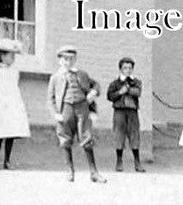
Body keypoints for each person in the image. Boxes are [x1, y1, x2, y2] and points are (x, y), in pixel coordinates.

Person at [47, 45, 106, 183]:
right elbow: (50, 99)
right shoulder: (55, 78)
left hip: (82, 107)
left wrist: (94, 92)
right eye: (65, 59)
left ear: (75, 59)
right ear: (60, 60)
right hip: (65, 108)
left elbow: (95, 84)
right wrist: (55, 113)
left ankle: (94, 172)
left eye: (71, 59)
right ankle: (69, 171)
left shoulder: (82, 74)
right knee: (65, 138)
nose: (68, 62)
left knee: (87, 137)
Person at [0, 38, 31, 169]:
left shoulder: (15, 71)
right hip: (0, 105)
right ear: (2, 56)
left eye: (14, 56)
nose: (12, 58)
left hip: (12, 104)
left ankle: (7, 160)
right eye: (10, 55)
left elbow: (15, 88)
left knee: (11, 132)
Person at [105, 56, 145, 173]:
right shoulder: (115, 83)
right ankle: (119, 161)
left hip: (132, 111)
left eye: (130, 68)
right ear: (120, 69)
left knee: (134, 135)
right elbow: (110, 96)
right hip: (119, 112)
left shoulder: (136, 82)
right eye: (125, 68)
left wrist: (128, 89)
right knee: (119, 135)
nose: (127, 70)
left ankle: (137, 162)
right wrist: (119, 92)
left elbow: (138, 92)